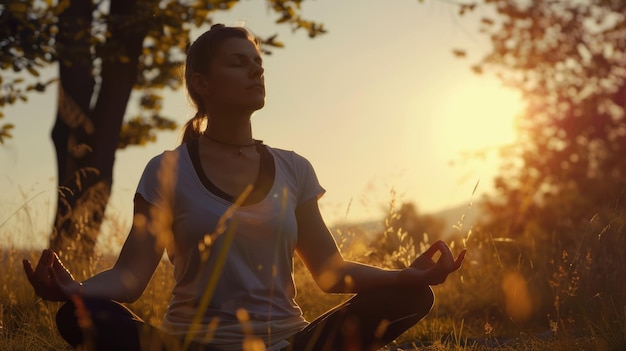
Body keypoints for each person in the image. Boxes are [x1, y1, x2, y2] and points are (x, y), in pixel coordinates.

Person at [23, 24, 466, 351]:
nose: (256, 71)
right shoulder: (167, 171)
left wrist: (405, 275)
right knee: (81, 317)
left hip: (288, 345)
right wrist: (76, 290)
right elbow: (130, 277)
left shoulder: (294, 169)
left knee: (411, 295)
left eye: (258, 63)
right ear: (202, 84)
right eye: (239, 63)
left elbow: (330, 272)